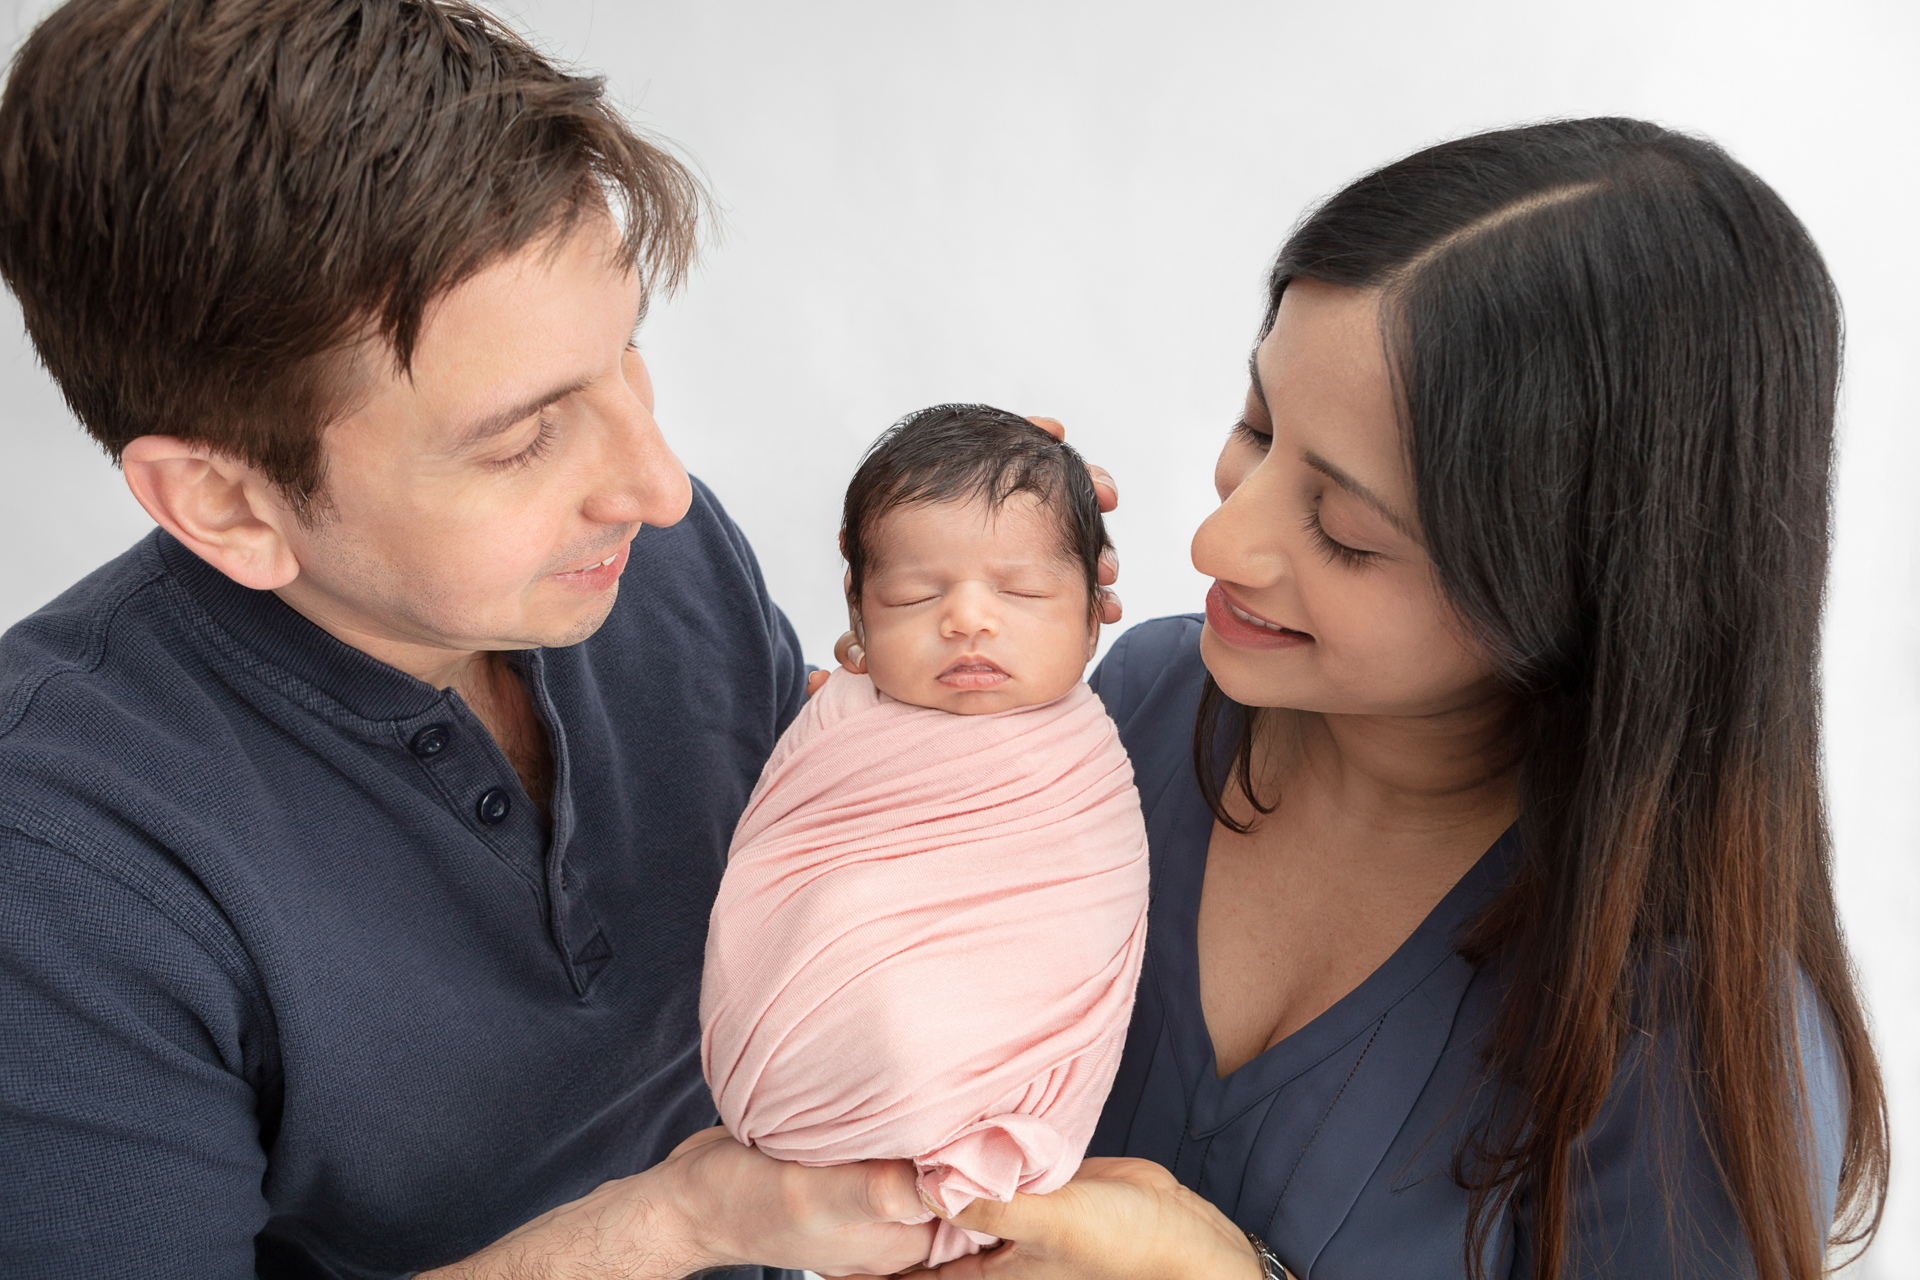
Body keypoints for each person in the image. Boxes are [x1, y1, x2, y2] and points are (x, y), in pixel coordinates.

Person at [0, 3, 1126, 1277]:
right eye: (524, 434)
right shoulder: (56, 862)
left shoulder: (643, 562)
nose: (657, 484)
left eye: (627, 352)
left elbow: (820, 824)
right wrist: (681, 1221)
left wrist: (968, 636)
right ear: (229, 501)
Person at [869, 120, 1891, 1279]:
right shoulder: (1146, 704)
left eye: (1347, 533)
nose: (1218, 539)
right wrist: (893, 734)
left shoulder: (1689, 1041)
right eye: (1256, 428)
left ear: (1587, 590)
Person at [701, 406, 1149, 1267]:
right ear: (860, 615)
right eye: (913, 594)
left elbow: (1081, 919)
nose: (968, 620)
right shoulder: (838, 721)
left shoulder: (1082, 766)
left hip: (985, 1097)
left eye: (1021, 592)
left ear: (1096, 614)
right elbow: (786, 867)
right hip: (792, 1087)